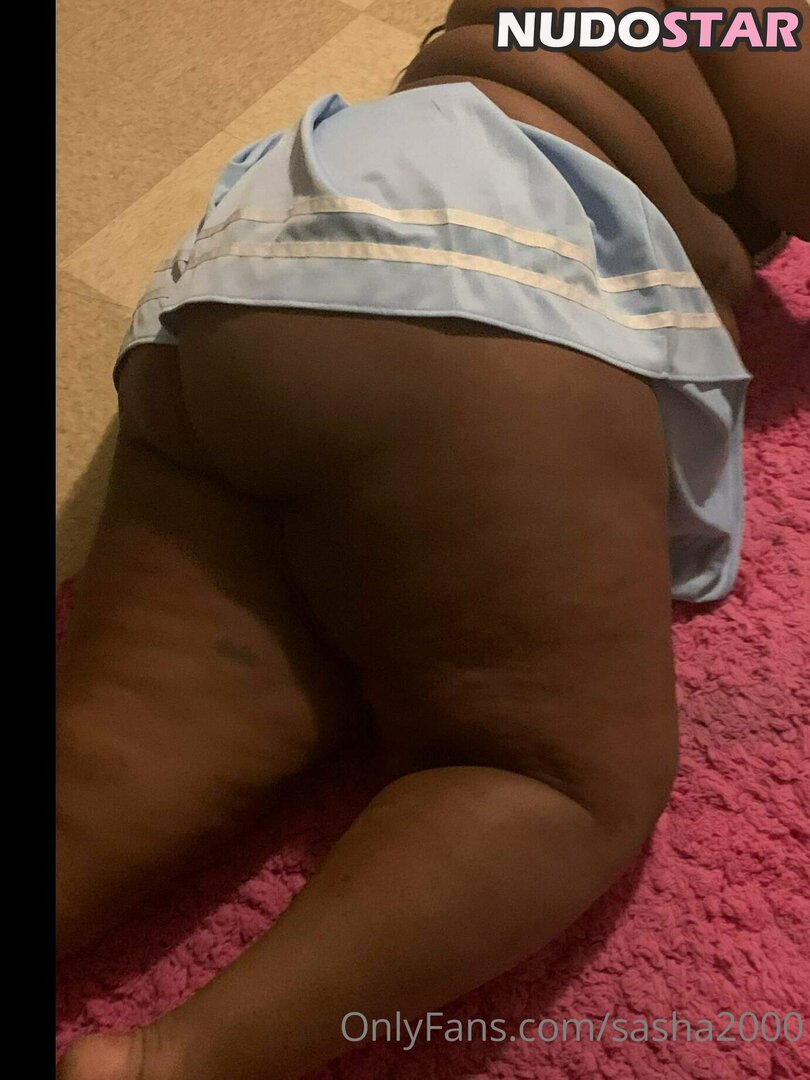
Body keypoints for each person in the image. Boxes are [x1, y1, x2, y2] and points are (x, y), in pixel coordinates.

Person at [57, 3, 809, 1077]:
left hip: (264, 254)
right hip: (479, 269)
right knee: (550, 774)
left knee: (150, 734)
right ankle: (171, 1065)